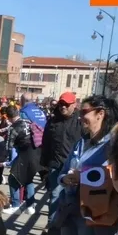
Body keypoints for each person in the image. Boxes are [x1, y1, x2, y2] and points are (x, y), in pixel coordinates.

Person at [52, 95, 118, 235]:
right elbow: (62, 173)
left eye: (84, 112)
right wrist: (65, 179)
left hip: (92, 216)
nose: (80, 117)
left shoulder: (113, 146)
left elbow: (113, 177)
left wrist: (82, 177)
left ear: (100, 114)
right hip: (69, 210)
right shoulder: (80, 143)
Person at [41, 91, 83, 222]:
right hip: (55, 165)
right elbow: (46, 143)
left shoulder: (81, 121)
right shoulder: (53, 121)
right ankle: (52, 225)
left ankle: (68, 225)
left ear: (74, 105)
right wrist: (43, 167)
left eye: (66, 104)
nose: (63, 107)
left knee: (73, 198)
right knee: (55, 195)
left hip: (75, 167)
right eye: (61, 104)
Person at [3, 105, 40, 216]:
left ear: (8, 117)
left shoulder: (13, 127)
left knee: (12, 178)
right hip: (37, 152)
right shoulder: (28, 122)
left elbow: (9, 146)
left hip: (24, 154)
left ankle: (15, 206)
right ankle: (30, 206)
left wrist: (6, 159)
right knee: (28, 178)